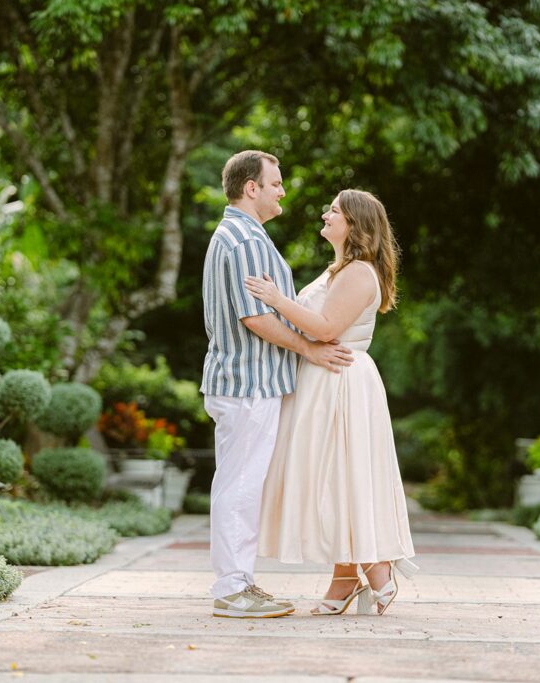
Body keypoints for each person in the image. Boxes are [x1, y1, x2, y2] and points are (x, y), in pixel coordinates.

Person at [246, 188, 417, 617]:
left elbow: (326, 327)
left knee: (342, 475)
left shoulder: (360, 272)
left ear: (355, 224)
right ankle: (346, 579)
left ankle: (376, 566)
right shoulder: (339, 269)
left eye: (334, 211)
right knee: (333, 477)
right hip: (323, 380)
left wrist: (276, 299)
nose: (326, 215)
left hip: (343, 382)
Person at [201, 150, 354, 619]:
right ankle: (231, 590)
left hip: (248, 383)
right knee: (239, 487)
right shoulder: (243, 239)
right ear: (252, 188)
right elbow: (254, 317)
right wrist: (309, 349)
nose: (282, 191)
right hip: (247, 384)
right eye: (276, 183)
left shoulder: (241, 234)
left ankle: (240, 582)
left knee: (242, 485)